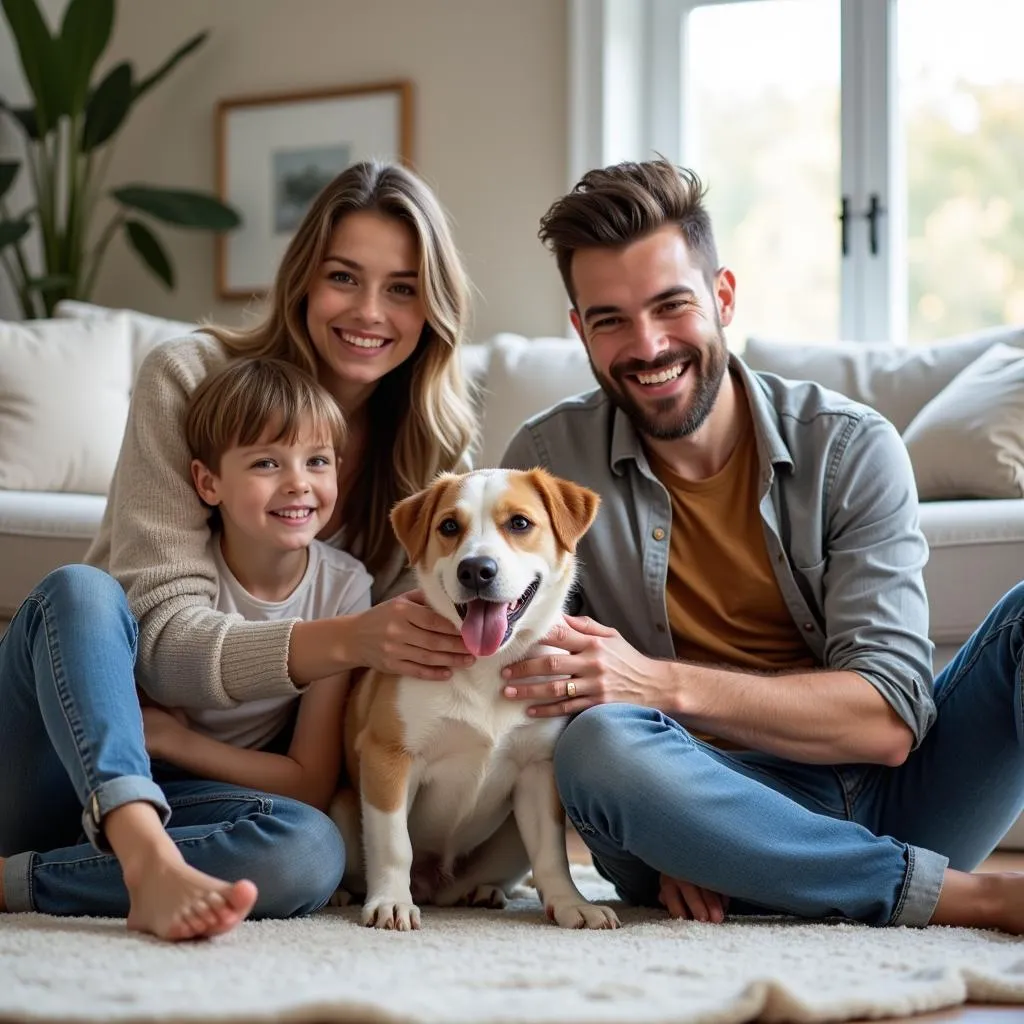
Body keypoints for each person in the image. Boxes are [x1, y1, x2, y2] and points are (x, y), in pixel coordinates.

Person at [499, 158, 1024, 933]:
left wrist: (661, 685)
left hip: (897, 802)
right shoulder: (544, 469)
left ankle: (779, 877)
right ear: (580, 329)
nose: (647, 345)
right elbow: (529, 687)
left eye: (671, 305)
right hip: (684, 803)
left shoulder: (851, 449)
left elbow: (887, 724)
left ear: (723, 296)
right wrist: (687, 832)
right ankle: (970, 900)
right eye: (610, 319)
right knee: (599, 743)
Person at [0, 160, 478, 939]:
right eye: (343, 277)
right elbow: (157, 644)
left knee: (310, 852)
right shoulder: (189, 379)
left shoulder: (429, 461)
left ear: (434, 306)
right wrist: (348, 640)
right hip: (69, 748)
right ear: (300, 283)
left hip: (209, 787)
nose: (369, 311)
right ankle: (142, 858)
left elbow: (374, 698)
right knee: (84, 592)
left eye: (402, 286)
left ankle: (30, 879)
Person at [141, 356, 370, 813]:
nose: (298, 484)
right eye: (267, 463)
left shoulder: (344, 588)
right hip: (131, 775)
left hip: (217, 789)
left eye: (317, 461)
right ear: (208, 483)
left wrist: (174, 741)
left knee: (312, 845)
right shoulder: (183, 576)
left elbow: (309, 785)